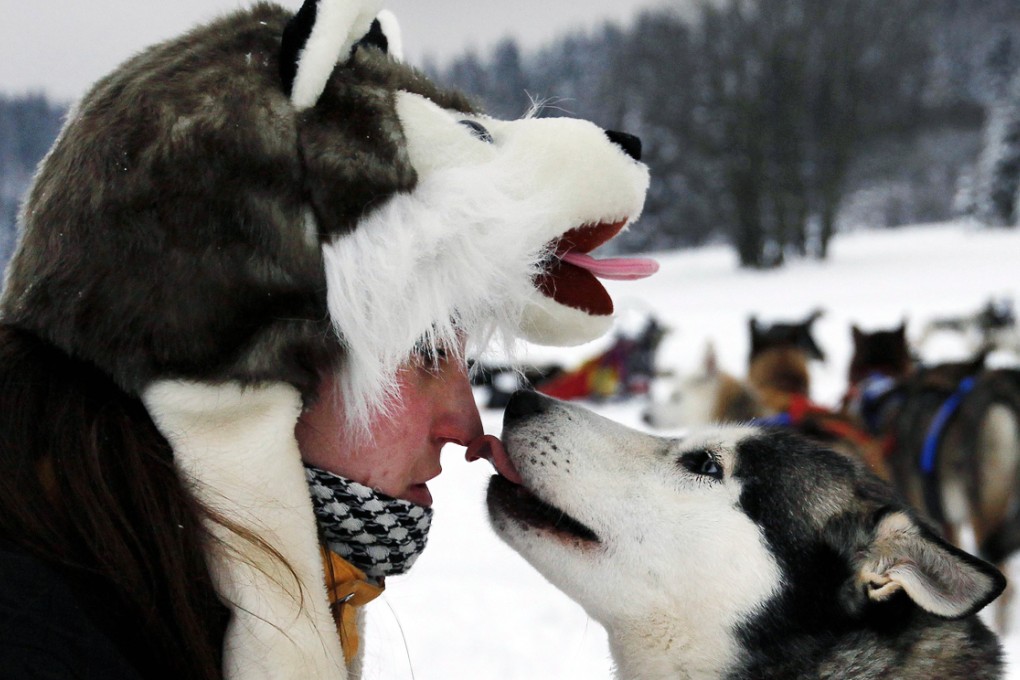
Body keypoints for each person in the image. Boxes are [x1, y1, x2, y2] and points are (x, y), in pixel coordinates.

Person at [0, 0, 651, 678]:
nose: (466, 427)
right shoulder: (35, 638)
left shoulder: (158, 589)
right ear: (241, 362)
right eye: (425, 354)